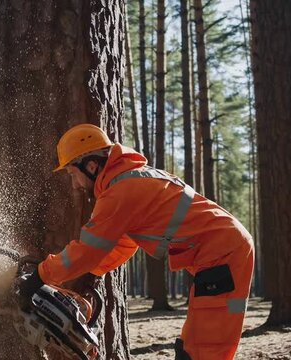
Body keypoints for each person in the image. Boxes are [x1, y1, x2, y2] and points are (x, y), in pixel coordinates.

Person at [17, 124, 254, 360]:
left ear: (90, 165)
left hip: (222, 253)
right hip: (225, 250)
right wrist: (93, 273)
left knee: (206, 348)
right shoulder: (130, 180)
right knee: (198, 342)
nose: (75, 185)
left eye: (72, 174)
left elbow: (88, 249)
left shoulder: (120, 191)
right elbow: (125, 243)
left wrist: (40, 275)